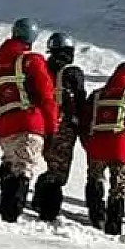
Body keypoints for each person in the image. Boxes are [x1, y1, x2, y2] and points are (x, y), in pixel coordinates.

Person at [0, 17, 57, 223]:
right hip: (29, 122)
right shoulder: (32, 60)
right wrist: (51, 128)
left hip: (4, 125)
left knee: (9, 162)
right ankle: (12, 212)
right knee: (23, 167)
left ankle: (6, 205)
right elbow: (46, 96)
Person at [81, 62, 125, 235]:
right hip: (123, 147)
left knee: (95, 179)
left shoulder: (98, 94)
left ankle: (96, 216)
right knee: (119, 188)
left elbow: (84, 124)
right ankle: (113, 225)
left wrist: (89, 145)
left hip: (97, 145)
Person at [32, 32, 88, 222]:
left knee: (50, 164)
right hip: (64, 126)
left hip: (40, 122)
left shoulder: (41, 69)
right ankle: (48, 208)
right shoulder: (73, 73)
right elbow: (81, 101)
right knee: (59, 171)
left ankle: (38, 198)